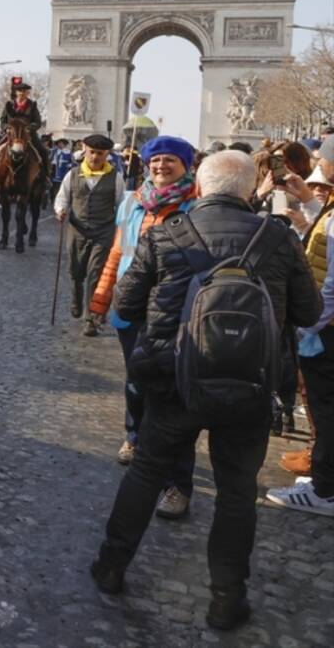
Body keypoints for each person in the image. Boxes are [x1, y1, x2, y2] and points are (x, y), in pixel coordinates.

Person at [90, 150, 321, 630]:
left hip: (173, 380)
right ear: (245, 190)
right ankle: (225, 599)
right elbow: (307, 310)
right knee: (237, 493)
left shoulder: (167, 233)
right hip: (251, 384)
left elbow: (127, 303)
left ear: (200, 187)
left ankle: (111, 566)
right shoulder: (278, 238)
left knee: (148, 472)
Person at [90, 136, 199, 516]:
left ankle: (176, 480)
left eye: (170, 160)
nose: (161, 166)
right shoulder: (132, 201)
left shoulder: (196, 205)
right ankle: (134, 435)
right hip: (130, 303)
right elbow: (118, 250)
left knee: (171, 395)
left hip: (175, 310)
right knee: (135, 380)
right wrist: (101, 296)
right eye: (155, 160)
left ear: (186, 165)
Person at [267, 135, 334, 516]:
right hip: (325, 322)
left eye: (323, 159)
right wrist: (307, 201)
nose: (318, 163)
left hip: (327, 327)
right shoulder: (328, 206)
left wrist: (311, 324)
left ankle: (325, 490)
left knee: (326, 409)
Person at [55, 134, 124, 337]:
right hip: (77, 230)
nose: (95, 157)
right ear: (85, 151)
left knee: (95, 274)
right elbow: (62, 198)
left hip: (103, 231)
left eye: (100, 154)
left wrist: (121, 229)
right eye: (92, 152)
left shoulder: (116, 177)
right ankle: (76, 297)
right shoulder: (73, 174)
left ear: (107, 155)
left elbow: (121, 205)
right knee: (76, 271)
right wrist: (60, 210)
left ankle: (90, 318)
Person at [0, 79, 50, 187]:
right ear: (16, 92)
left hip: (28, 136)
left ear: (27, 93)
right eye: (20, 91)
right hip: (11, 135)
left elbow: (38, 122)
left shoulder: (32, 105)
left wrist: (29, 128)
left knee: (43, 152)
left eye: (24, 92)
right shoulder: (9, 105)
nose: (22, 94)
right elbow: (2, 120)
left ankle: (46, 177)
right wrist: (6, 127)